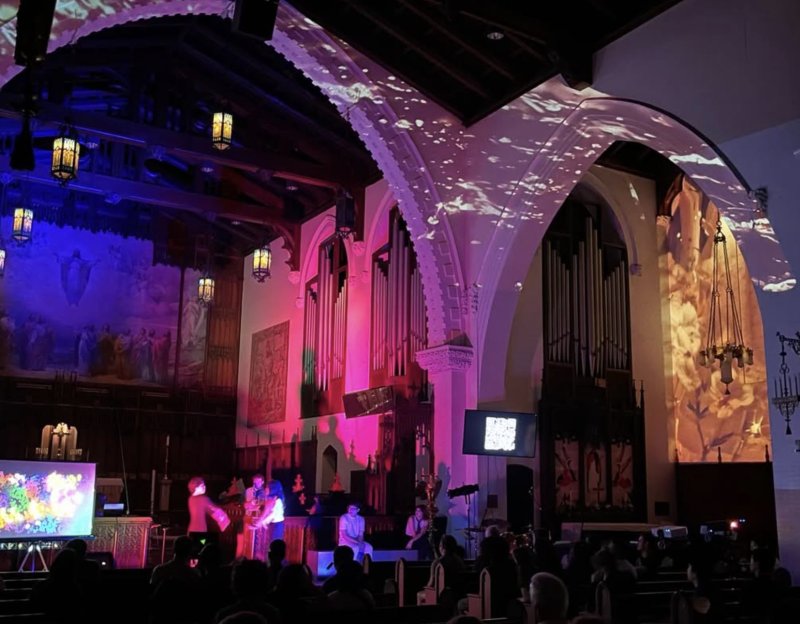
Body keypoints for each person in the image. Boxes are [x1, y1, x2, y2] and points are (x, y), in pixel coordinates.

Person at [250, 480, 285, 561]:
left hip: (277, 526)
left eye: (268, 487)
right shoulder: (272, 499)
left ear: (272, 489)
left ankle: (275, 565)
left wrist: (260, 523)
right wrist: (261, 523)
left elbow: (271, 515)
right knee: (272, 547)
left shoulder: (276, 500)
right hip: (274, 525)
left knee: (274, 547)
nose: (266, 488)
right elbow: (268, 514)